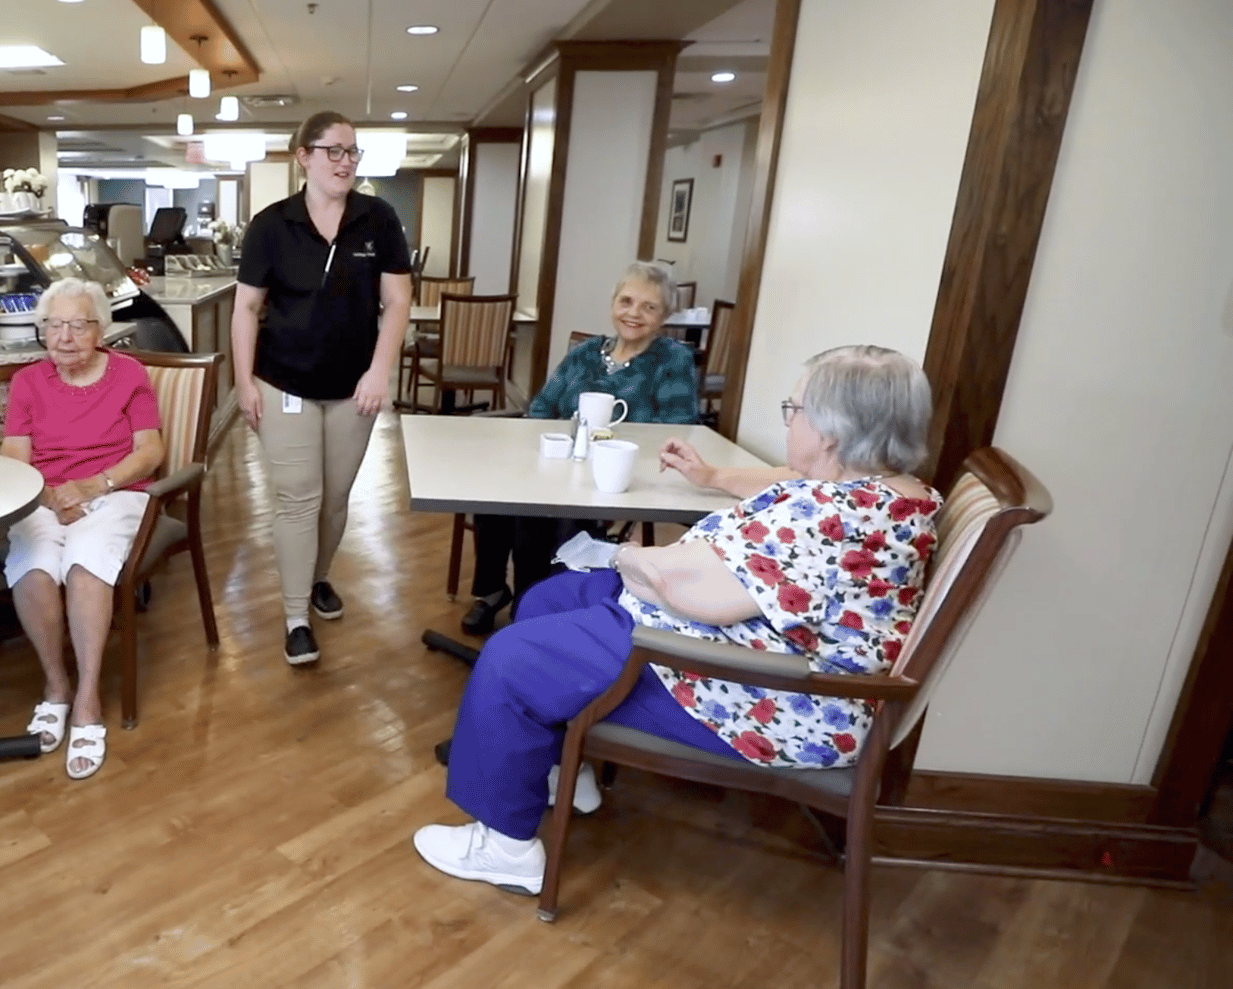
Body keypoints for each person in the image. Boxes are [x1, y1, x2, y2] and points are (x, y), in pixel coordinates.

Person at [413, 345, 940, 895]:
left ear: (832, 432)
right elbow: (787, 485)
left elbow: (689, 592)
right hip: (760, 650)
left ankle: (505, 846)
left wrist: (624, 558)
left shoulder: (830, 519)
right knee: (552, 598)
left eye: (795, 409)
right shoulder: (886, 493)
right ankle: (564, 770)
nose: (789, 420)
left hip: (768, 693)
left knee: (511, 659)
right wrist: (712, 479)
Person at [232, 109, 414, 666]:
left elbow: (398, 301)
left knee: (334, 500)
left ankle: (317, 577)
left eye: (352, 151)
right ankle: (294, 616)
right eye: (333, 150)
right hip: (284, 380)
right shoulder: (271, 225)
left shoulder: (378, 219)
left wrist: (379, 371)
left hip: (353, 387)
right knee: (297, 498)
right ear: (303, 157)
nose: (345, 162)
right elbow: (246, 306)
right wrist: (243, 382)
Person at [462, 261, 699, 636]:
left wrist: (605, 443)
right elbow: (541, 407)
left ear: (666, 314)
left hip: (617, 475)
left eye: (649, 307)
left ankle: (533, 608)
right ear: (612, 304)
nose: (633, 313)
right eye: (626, 301)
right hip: (560, 462)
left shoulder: (671, 360)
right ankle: (494, 592)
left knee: (536, 514)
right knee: (496, 491)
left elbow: (679, 424)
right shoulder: (586, 352)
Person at [0, 277, 166, 779]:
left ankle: (89, 698)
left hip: (113, 492)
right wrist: (47, 494)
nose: (65, 337)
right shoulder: (27, 383)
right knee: (32, 563)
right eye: (54, 325)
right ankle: (57, 685)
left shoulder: (129, 374)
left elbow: (150, 450)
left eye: (77, 325)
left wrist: (94, 486)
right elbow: (14, 453)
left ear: (100, 330)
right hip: (46, 495)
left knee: (86, 564)